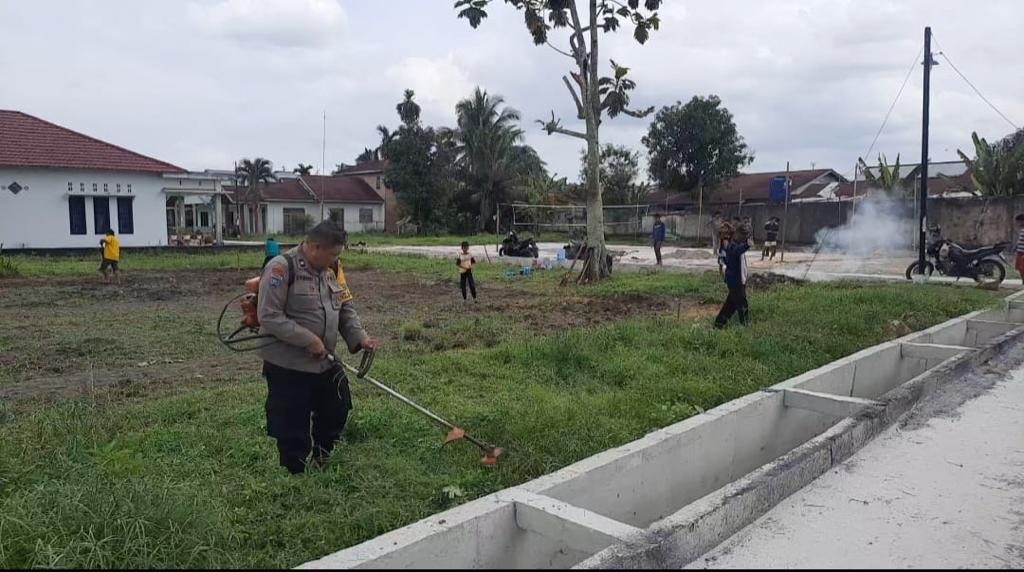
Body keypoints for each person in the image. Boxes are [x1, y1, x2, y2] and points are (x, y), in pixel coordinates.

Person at [256, 221, 378, 474]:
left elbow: (345, 308)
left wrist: (360, 337)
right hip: (288, 364)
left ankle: (323, 456)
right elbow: (269, 316)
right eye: (332, 254)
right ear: (314, 247)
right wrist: (308, 340)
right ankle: (295, 471)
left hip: (325, 360)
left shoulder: (331, 270)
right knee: (292, 419)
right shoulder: (281, 268)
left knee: (338, 404)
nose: (336, 259)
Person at [714, 224, 751, 328]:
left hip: (737, 279)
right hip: (735, 280)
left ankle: (719, 324)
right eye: (744, 236)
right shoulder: (732, 245)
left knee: (731, 304)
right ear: (737, 234)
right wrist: (747, 245)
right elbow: (735, 252)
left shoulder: (734, 244)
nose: (745, 238)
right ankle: (745, 325)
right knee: (741, 303)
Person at [1015, 214, 1024, 281]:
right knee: (1020, 268)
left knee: (1022, 268)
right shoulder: (1022, 230)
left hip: (1022, 253)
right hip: (1020, 252)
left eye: (1018, 221)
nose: (1017, 223)